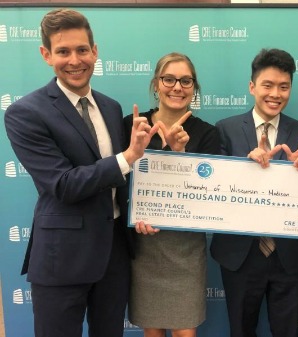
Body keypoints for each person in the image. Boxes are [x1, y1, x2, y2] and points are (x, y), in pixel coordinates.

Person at [3, 8, 156, 337]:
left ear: (95, 51)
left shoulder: (111, 107)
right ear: (46, 55)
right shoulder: (25, 113)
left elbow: (120, 181)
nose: (75, 60)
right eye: (63, 51)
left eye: (82, 49)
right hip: (63, 257)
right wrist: (129, 156)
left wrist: (143, 207)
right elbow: (63, 185)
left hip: (114, 252)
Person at [210, 48, 298, 337]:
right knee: (241, 331)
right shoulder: (225, 129)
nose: (276, 94)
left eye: (284, 87)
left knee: (288, 332)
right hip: (239, 254)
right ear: (252, 86)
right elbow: (212, 188)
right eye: (268, 85)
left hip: (289, 255)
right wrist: (244, 169)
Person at [123, 52, 221, 337]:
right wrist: (135, 212)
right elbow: (119, 179)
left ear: (194, 88)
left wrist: (181, 155)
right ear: (156, 84)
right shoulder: (134, 125)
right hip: (143, 246)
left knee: (184, 332)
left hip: (185, 247)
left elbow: (208, 194)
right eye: (169, 79)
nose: (177, 87)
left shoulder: (207, 133)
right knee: (151, 331)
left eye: (186, 81)